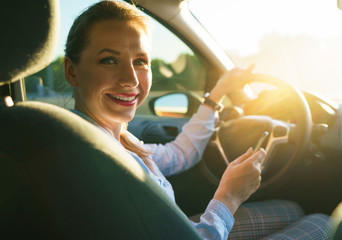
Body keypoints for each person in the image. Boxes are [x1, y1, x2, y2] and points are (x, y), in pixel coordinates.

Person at [63, 1, 331, 239]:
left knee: (291, 209)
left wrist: (215, 97)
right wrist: (228, 196)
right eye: (109, 60)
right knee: (323, 224)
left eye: (141, 61)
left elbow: (178, 154)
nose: (131, 79)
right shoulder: (98, 159)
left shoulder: (113, 140)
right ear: (72, 71)